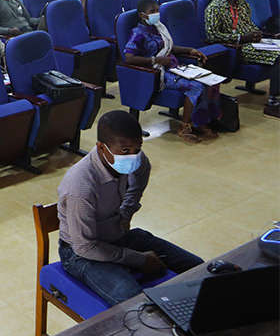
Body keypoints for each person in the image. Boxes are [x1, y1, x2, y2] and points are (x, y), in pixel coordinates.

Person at [57, 110, 203, 306]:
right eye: (125, 151)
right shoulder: (81, 186)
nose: (132, 156)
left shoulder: (135, 159)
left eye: (137, 148)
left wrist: (126, 213)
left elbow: (139, 178)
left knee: (199, 268)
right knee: (137, 304)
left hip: (117, 236)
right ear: (101, 147)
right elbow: (85, 246)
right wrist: (139, 259)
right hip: (81, 254)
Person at [123, 0, 220, 142]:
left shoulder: (159, 27)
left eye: (157, 10)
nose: (156, 13)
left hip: (173, 67)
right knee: (196, 86)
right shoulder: (137, 33)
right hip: (156, 73)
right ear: (142, 15)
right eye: (152, 11)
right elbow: (129, 58)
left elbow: (169, 47)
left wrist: (191, 51)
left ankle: (201, 122)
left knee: (209, 80)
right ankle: (185, 127)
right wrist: (156, 60)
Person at [203, 0, 279, 119]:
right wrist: (240, 38)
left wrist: (256, 33)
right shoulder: (214, 8)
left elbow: (249, 24)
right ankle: (272, 104)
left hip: (256, 42)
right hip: (238, 48)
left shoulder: (242, 3)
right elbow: (212, 36)